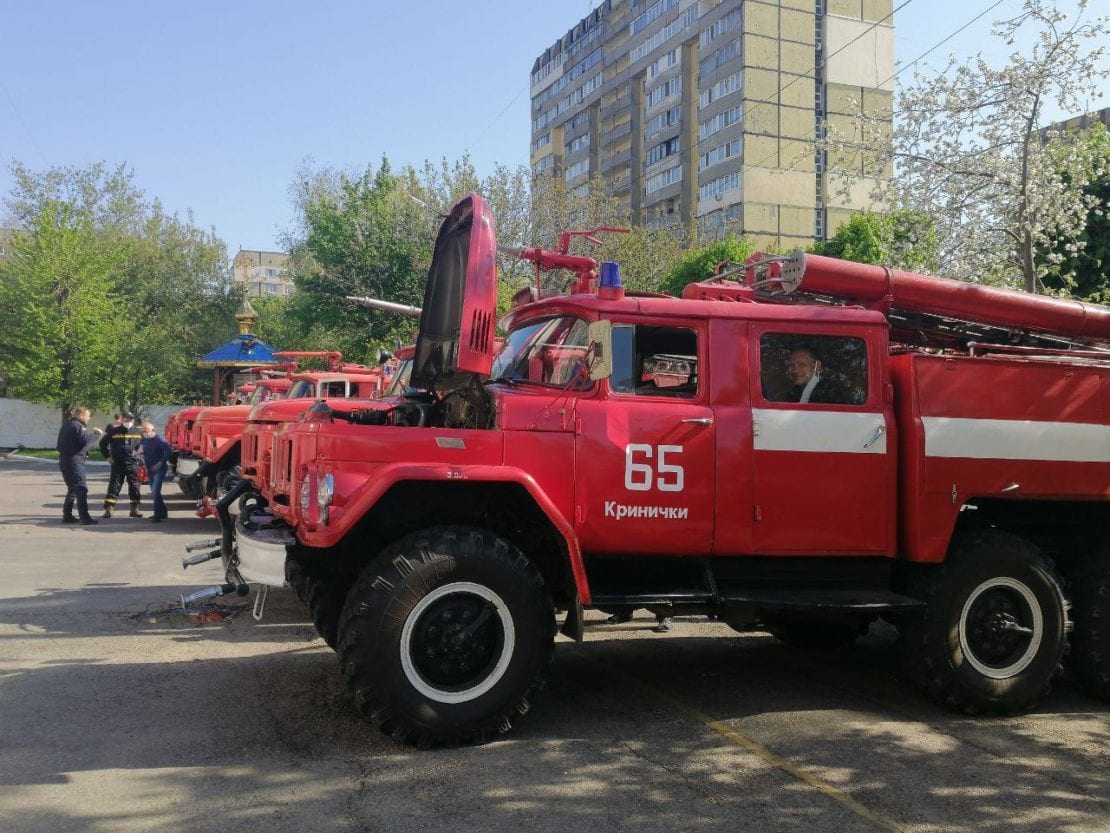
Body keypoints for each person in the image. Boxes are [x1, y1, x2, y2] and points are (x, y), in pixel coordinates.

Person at [55, 406, 104, 525]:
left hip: (64, 460)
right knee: (81, 488)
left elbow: (59, 445)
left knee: (72, 489)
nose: (88, 418)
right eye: (87, 416)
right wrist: (97, 434)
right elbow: (84, 441)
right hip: (75, 462)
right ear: (81, 415)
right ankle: (84, 517)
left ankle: (67, 515)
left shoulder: (67, 425)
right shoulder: (78, 426)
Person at [101, 411, 144, 518]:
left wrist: (142, 459)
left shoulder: (137, 432)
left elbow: (144, 446)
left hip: (132, 463)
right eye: (126, 419)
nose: (128, 421)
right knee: (114, 486)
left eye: (130, 419)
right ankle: (109, 509)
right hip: (117, 463)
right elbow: (102, 443)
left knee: (134, 486)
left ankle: (134, 509)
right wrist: (107, 456)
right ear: (122, 419)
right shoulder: (114, 431)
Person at [139, 421, 173, 523]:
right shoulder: (144, 439)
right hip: (150, 469)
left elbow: (168, 452)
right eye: (143, 432)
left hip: (159, 469)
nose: (145, 434)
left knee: (155, 492)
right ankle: (163, 512)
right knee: (155, 493)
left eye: (146, 432)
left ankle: (157, 515)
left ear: (152, 430)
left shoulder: (159, 439)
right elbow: (140, 449)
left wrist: (160, 463)